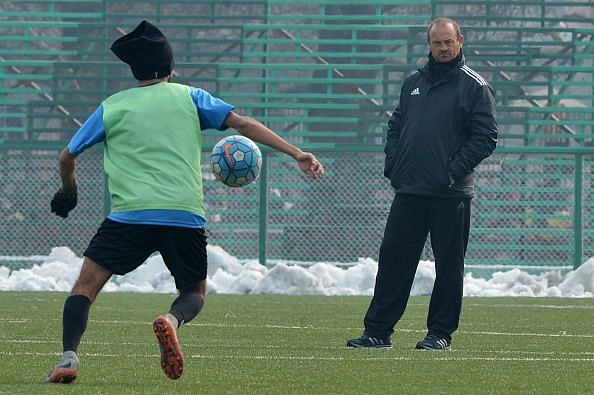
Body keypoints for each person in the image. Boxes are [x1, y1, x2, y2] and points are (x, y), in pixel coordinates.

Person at [46, 20, 324, 383]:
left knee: (85, 287)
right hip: (183, 215)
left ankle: (69, 358)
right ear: (170, 66)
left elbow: (67, 156)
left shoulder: (113, 106)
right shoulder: (191, 97)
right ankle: (171, 320)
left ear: (134, 69)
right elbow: (243, 125)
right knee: (194, 292)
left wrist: (70, 191)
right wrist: (295, 152)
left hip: (130, 216)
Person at [347, 17, 497, 350]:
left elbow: (486, 137)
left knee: (449, 266)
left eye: (448, 42)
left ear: (460, 40)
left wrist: (452, 172)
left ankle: (440, 333)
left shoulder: (475, 86)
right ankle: (378, 331)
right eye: (436, 43)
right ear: (428, 44)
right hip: (410, 189)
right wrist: (393, 165)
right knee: (393, 260)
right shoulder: (413, 82)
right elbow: (396, 126)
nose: (443, 48)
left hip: (450, 193)